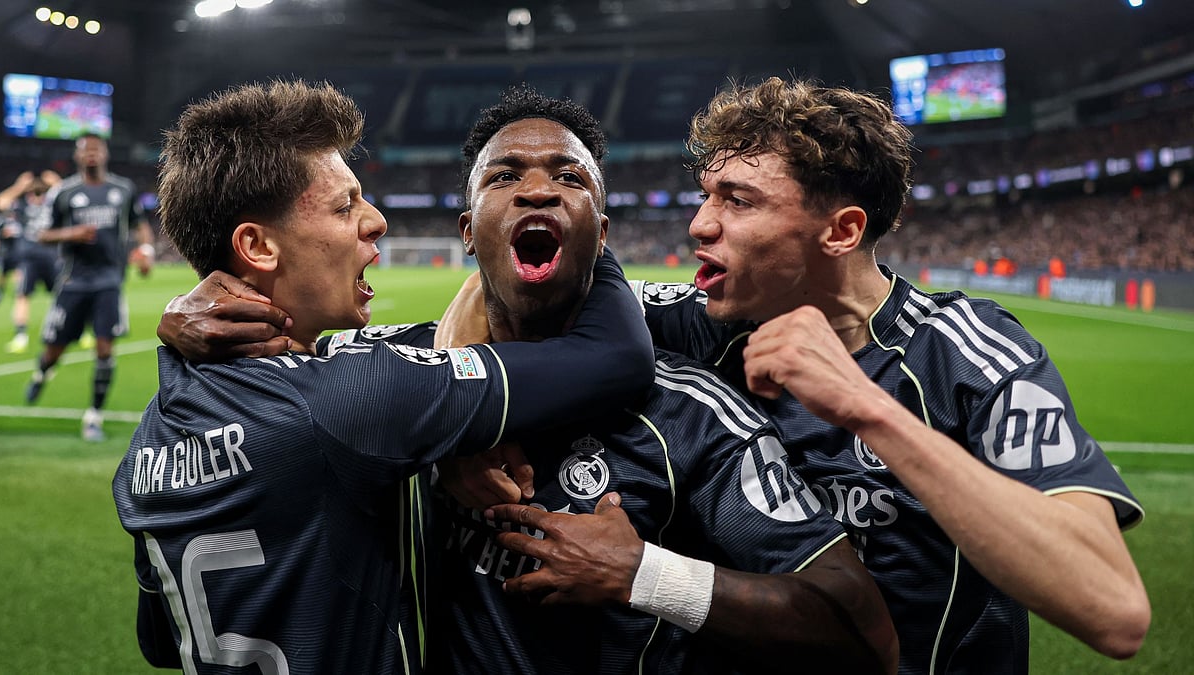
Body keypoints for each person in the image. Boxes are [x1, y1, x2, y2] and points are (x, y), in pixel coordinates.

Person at [154, 85, 898, 674]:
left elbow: (861, 637)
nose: (537, 189)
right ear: (467, 231)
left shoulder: (689, 411)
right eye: (504, 176)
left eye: (570, 179)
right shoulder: (377, 380)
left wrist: (647, 574)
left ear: (603, 234)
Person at [111, 79, 655, 675]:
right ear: (257, 246)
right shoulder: (352, 397)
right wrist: (575, 214)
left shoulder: (149, 441)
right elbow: (613, 356)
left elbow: (161, 640)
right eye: (345, 205)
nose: (376, 220)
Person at [621, 77, 1147, 673]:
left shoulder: (966, 356)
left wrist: (867, 408)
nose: (699, 224)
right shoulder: (694, 322)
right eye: (707, 194)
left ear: (842, 231)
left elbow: (1114, 610)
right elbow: (504, 293)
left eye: (739, 200)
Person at [24, 134, 154, 441]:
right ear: (77, 156)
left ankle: (93, 416)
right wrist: (72, 233)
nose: (92, 154)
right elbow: (41, 234)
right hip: (73, 282)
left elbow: (140, 225)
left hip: (109, 281)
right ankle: (42, 372)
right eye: (86, 150)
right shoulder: (64, 192)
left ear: (105, 153)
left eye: (96, 148)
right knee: (55, 349)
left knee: (105, 348)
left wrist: (145, 252)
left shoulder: (122, 189)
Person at [0, 170, 62, 353]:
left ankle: (76, 330)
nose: (36, 193)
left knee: (64, 294)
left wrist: (56, 182)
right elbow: (0, 202)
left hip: (51, 256)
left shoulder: (53, 203)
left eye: (40, 190)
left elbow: (69, 196)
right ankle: (21, 336)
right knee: (22, 296)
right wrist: (19, 186)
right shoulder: (21, 205)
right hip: (28, 258)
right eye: (33, 190)